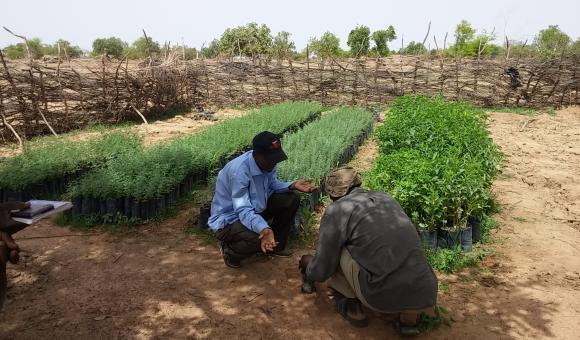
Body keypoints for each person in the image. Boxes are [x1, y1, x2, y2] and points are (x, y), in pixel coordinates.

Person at [299, 167, 438, 336]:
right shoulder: (385, 198)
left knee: (338, 248)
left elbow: (323, 267)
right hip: (426, 290)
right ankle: (409, 320)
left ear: (332, 195)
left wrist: (309, 265)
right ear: (358, 184)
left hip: (381, 296)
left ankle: (353, 309)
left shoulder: (338, 209)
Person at [208, 131, 318, 268]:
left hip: (254, 209)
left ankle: (276, 245)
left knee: (292, 198)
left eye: (275, 159)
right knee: (258, 239)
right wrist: (264, 229)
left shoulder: (267, 164)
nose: (273, 163)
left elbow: (272, 184)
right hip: (231, 219)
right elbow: (242, 209)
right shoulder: (239, 171)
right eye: (270, 159)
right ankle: (231, 252)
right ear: (256, 154)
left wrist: (292, 185)